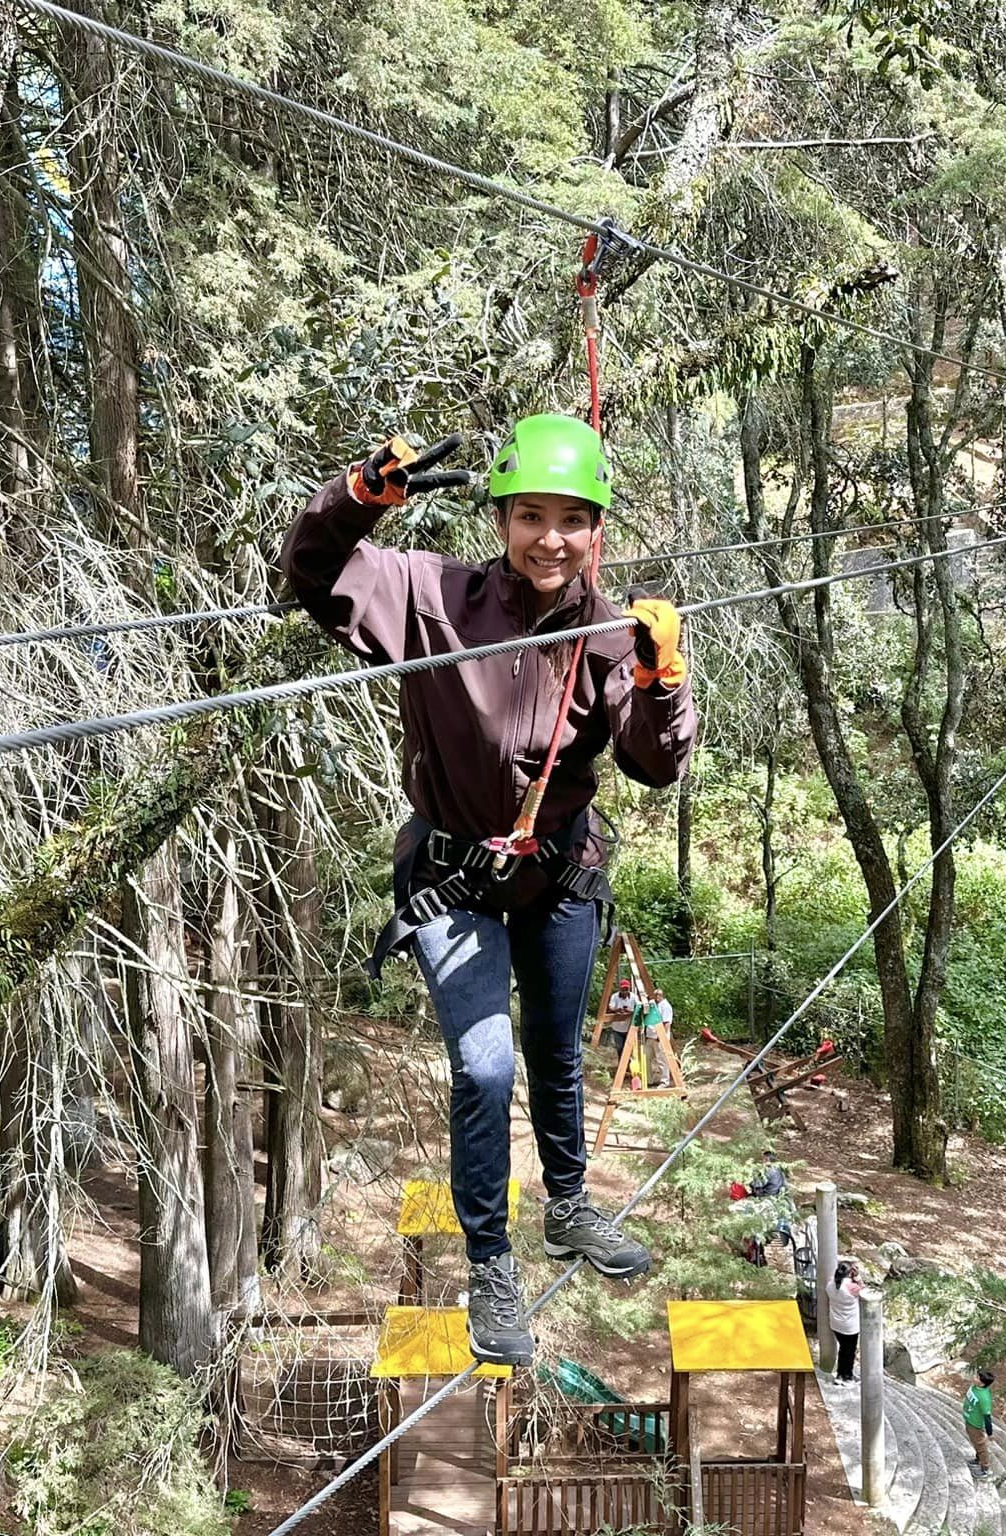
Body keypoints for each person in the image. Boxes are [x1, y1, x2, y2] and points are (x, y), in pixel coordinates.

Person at [282, 415, 696, 1368]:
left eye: (572, 520)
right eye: (532, 517)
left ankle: (568, 1207)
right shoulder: (432, 597)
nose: (551, 538)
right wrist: (357, 497)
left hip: (559, 876)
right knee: (484, 1068)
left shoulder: (609, 634)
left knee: (555, 1052)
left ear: (597, 531)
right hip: (454, 878)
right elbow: (314, 572)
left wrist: (661, 677)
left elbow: (651, 763)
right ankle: (491, 1264)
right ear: (503, 519)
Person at [827, 1259, 864, 1383]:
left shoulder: (830, 1285)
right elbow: (864, 1290)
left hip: (835, 1323)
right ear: (850, 1273)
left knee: (843, 1349)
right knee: (849, 1352)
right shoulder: (851, 1287)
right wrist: (858, 1277)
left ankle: (840, 1375)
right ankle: (847, 1377)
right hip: (850, 1326)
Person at [963, 1366, 996, 1477]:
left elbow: (987, 1417)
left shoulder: (984, 1398)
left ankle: (985, 1468)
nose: (974, 1377)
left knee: (981, 1446)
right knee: (976, 1443)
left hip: (976, 1425)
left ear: (982, 1383)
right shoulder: (975, 1387)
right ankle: (978, 1460)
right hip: (969, 1420)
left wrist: (989, 1433)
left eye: (977, 1377)